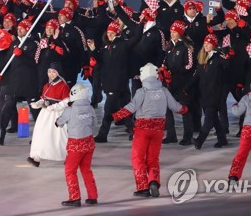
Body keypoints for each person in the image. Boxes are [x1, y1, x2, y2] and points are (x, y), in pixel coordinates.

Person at [113, 63, 188, 198]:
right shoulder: (163, 90)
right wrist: (185, 109)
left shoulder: (142, 91)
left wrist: (116, 116)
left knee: (138, 158)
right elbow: (175, 107)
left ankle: (143, 187)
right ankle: (153, 181)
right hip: (158, 129)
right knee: (153, 158)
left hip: (142, 128)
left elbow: (132, 106)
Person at [89, 20, 142, 143]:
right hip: (114, 84)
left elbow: (137, 38)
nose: (109, 35)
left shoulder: (123, 44)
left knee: (108, 110)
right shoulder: (106, 46)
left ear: (117, 33)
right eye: (108, 32)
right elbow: (99, 59)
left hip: (116, 84)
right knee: (123, 110)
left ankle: (103, 135)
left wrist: (140, 24)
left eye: (112, 32)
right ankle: (134, 130)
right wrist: (93, 49)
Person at [56, 83, 98, 207]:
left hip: (76, 144)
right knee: (86, 170)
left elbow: (60, 122)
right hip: (89, 142)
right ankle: (93, 196)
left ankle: (74, 197)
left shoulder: (70, 110)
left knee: (70, 170)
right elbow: (95, 124)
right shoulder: (90, 108)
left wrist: (57, 122)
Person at [187, 34, 229, 149]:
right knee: (214, 118)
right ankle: (222, 139)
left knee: (208, 120)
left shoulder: (218, 58)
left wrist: (225, 54)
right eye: (205, 43)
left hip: (215, 95)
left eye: (208, 43)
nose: (205, 45)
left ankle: (199, 141)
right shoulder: (202, 59)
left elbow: (228, 66)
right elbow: (196, 77)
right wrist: (186, 88)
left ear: (214, 45)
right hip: (204, 95)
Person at [27, 62, 70, 167]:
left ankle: (68, 156)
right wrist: (38, 103)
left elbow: (66, 101)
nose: (51, 74)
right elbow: (43, 98)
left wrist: (54, 107)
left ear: (58, 73)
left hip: (57, 114)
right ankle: (35, 156)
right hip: (45, 114)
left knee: (60, 136)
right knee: (40, 134)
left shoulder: (63, 86)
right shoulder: (47, 85)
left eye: (54, 72)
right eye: (49, 72)